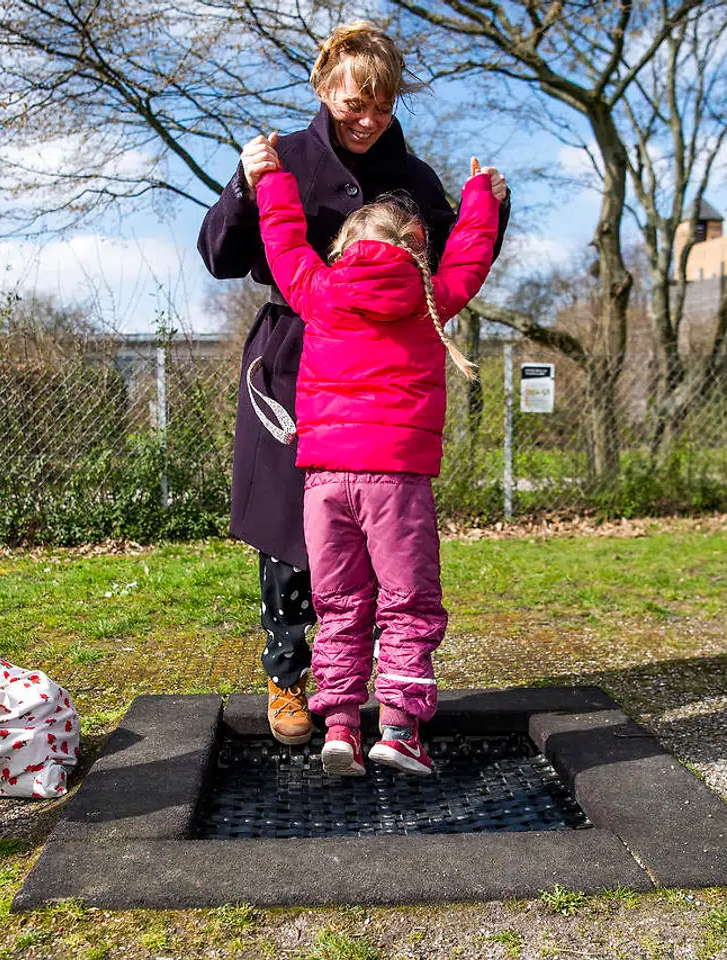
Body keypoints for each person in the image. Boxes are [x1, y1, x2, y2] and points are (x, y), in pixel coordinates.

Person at [197, 21, 510, 745]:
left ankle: (376, 695)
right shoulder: (285, 159)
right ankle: (288, 682)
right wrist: (249, 184)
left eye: (382, 105)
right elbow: (220, 253)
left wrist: (491, 201)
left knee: (387, 547)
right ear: (322, 90)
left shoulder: (417, 178)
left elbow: (459, 261)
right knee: (288, 536)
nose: (368, 120)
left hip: (383, 381)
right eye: (352, 105)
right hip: (290, 360)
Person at [252, 153, 500, 775]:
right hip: (397, 481)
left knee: (339, 602)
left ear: (341, 247)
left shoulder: (320, 290)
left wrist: (274, 181)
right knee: (407, 602)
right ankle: (398, 728)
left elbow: (282, 244)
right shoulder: (429, 299)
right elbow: (469, 258)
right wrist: (480, 197)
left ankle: (338, 725)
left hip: (325, 481)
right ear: (418, 251)